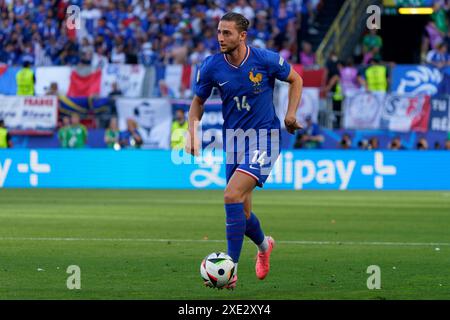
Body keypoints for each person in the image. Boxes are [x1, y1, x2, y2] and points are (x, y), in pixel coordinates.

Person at [186, 12, 303, 289]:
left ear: (242, 35)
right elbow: (197, 102)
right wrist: (191, 132)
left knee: (231, 195)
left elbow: (296, 79)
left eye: (226, 33)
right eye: (218, 32)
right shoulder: (211, 66)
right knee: (243, 212)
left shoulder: (265, 60)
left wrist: (290, 114)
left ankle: (230, 269)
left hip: (265, 137)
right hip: (234, 142)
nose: (220, 38)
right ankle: (264, 246)